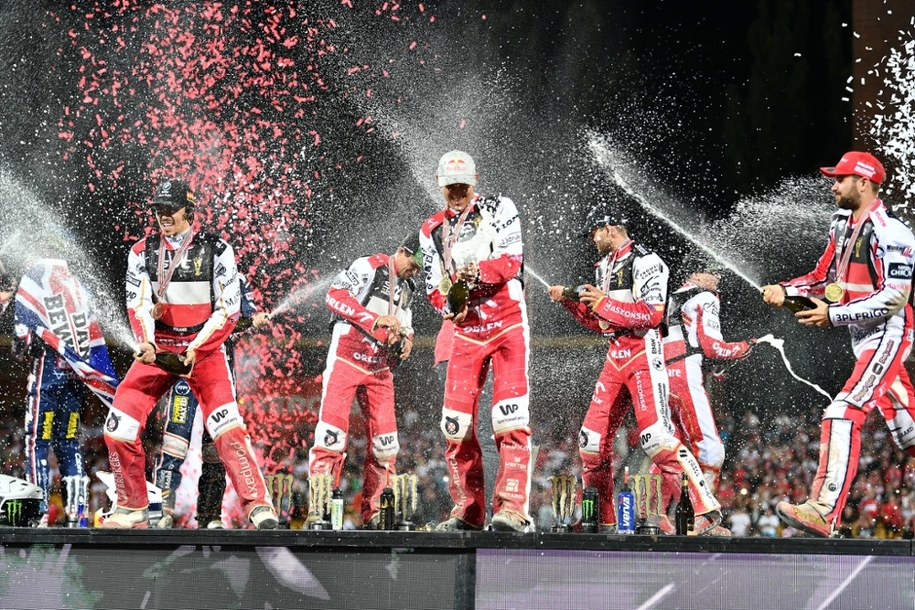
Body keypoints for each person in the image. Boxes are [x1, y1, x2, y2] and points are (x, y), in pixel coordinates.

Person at [101, 178, 277, 529]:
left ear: (189, 210)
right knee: (117, 429)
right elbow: (137, 303)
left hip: (204, 353)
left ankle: (258, 505)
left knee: (226, 428)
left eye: (171, 209)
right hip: (161, 350)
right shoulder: (141, 251)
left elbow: (229, 309)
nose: (164, 216)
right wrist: (148, 343)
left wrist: (198, 347)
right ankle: (133, 504)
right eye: (158, 210)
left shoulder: (217, 249)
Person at [762, 151, 915, 537]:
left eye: (840, 179)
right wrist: (786, 289)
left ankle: (823, 509)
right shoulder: (842, 224)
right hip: (863, 339)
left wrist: (833, 315)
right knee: (908, 432)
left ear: (863, 183)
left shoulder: (893, 233)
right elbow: (823, 278)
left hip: (889, 333)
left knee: (841, 413)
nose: (833, 185)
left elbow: (895, 298)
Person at [548, 215, 725, 535]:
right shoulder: (603, 267)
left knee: (656, 437)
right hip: (615, 356)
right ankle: (601, 519)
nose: (592, 242)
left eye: (594, 235)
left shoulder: (648, 262)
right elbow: (602, 322)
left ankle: (705, 510)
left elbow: (651, 314)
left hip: (645, 352)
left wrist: (601, 303)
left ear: (609, 228)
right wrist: (570, 304)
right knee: (590, 442)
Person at [417, 150, 533, 532]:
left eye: (463, 186)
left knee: (509, 418)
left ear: (475, 181)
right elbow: (434, 286)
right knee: (454, 425)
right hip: (466, 331)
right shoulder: (430, 228)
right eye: (450, 187)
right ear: (439, 185)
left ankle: (512, 508)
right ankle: (469, 510)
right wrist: (449, 307)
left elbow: (511, 261)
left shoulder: (501, 207)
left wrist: (475, 274)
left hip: (506, 324)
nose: (456, 193)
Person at [306, 233, 421, 528]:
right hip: (347, 357)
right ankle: (319, 510)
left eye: (421, 268)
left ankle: (377, 514)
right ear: (401, 250)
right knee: (330, 438)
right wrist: (373, 319)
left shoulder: (409, 285)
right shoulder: (370, 266)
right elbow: (334, 295)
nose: (415, 271)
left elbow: (405, 323)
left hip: (380, 369)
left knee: (386, 446)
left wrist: (407, 340)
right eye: (414, 263)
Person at [154, 274, 271, 529]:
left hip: (218, 368)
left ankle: (210, 514)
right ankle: (162, 506)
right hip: (184, 363)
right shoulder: (182, 273)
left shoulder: (236, 278)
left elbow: (240, 318)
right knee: (175, 436)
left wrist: (253, 320)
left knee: (216, 446)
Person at [13, 247, 119, 526]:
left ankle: (36, 513)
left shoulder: (35, 286)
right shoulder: (77, 291)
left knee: (37, 442)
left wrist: (24, 336)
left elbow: (22, 338)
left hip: (46, 382)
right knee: (69, 444)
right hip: (73, 382)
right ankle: (79, 513)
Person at [655, 263, 758, 511]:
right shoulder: (705, 296)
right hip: (684, 377)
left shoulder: (670, 298)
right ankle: (701, 516)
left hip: (659, 378)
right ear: (696, 274)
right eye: (712, 272)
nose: (718, 278)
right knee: (711, 451)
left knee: (669, 451)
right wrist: (746, 347)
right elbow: (713, 346)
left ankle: (654, 517)